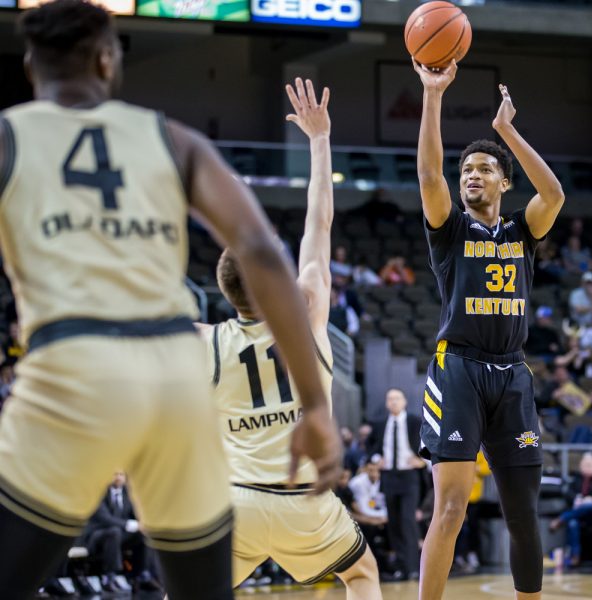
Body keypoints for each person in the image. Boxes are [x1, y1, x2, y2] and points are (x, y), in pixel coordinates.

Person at [0, 3, 340, 598]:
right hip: (173, 381)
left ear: (31, 65)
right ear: (107, 60)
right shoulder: (170, 138)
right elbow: (262, 251)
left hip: (71, 371)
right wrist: (314, 406)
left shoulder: (9, 138)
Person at [201, 79, 379, 599]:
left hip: (237, 502)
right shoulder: (309, 314)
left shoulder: (205, 342)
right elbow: (318, 220)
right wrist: (319, 140)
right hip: (304, 501)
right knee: (362, 574)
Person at [413, 56, 565, 600]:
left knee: (523, 512)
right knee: (451, 505)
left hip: (513, 376)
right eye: (466, 171)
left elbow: (554, 195)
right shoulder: (449, 229)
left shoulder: (523, 231)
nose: (470, 176)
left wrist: (506, 131)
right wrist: (433, 95)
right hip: (459, 369)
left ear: (502, 180)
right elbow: (430, 174)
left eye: (482, 169)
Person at [367, 388, 426, 581]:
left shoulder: (415, 421)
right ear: (386, 403)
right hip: (389, 476)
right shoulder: (380, 424)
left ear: (404, 402)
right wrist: (377, 459)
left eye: (397, 398)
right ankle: (401, 567)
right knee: (393, 523)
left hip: (409, 476)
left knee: (408, 522)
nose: (393, 402)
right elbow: (371, 448)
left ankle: (413, 568)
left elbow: (429, 444)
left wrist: (422, 461)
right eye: (390, 399)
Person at [82, 472, 160, 593]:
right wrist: (129, 524)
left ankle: (141, 574)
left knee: (143, 534)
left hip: (119, 536)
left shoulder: (128, 494)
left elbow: (136, 514)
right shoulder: (99, 493)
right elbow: (104, 518)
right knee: (115, 532)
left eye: (121, 475)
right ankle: (110, 576)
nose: (118, 477)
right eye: (114, 474)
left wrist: (144, 524)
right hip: (97, 535)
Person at [549, 452, 592, 567]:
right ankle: (575, 556)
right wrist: (576, 498)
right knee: (573, 523)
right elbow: (568, 493)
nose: (588, 467)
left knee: (589, 506)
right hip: (577, 514)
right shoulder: (576, 480)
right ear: (581, 466)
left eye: (590, 465)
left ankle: (561, 519)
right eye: (585, 465)